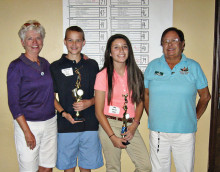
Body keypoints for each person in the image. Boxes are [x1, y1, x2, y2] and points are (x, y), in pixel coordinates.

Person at [144, 27, 211, 172]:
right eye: (166, 41)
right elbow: (146, 95)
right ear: (162, 45)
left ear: (182, 44)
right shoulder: (152, 66)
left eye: (174, 40)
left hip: (185, 132)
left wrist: (195, 117)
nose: (170, 44)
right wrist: (153, 116)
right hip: (158, 132)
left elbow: (205, 96)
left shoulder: (193, 67)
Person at [94, 34, 152, 172]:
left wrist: (135, 125)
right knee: (113, 168)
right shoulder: (103, 75)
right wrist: (112, 137)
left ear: (129, 51)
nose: (121, 50)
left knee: (145, 166)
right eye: (116, 47)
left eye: (124, 47)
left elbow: (140, 102)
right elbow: (98, 111)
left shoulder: (136, 73)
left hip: (130, 125)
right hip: (109, 124)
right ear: (109, 52)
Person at [50, 26, 103, 172]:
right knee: (68, 168)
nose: (74, 44)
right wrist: (63, 113)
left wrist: (90, 102)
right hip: (66, 126)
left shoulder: (92, 65)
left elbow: (100, 93)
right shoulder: (55, 67)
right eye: (70, 40)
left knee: (87, 168)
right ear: (65, 42)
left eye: (78, 40)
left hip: (90, 125)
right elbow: (51, 96)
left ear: (84, 42)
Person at [7, 20, 57, 172]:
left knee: (47, 167)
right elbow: (13, 104)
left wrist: (81, 59)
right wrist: (27, 132)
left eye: (38, 38)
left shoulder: (46, 64)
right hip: (28, 124)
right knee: (29, 169)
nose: (35, 42)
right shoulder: (16, 66)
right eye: (30, 38)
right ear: (22, 42)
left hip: (50, 122)